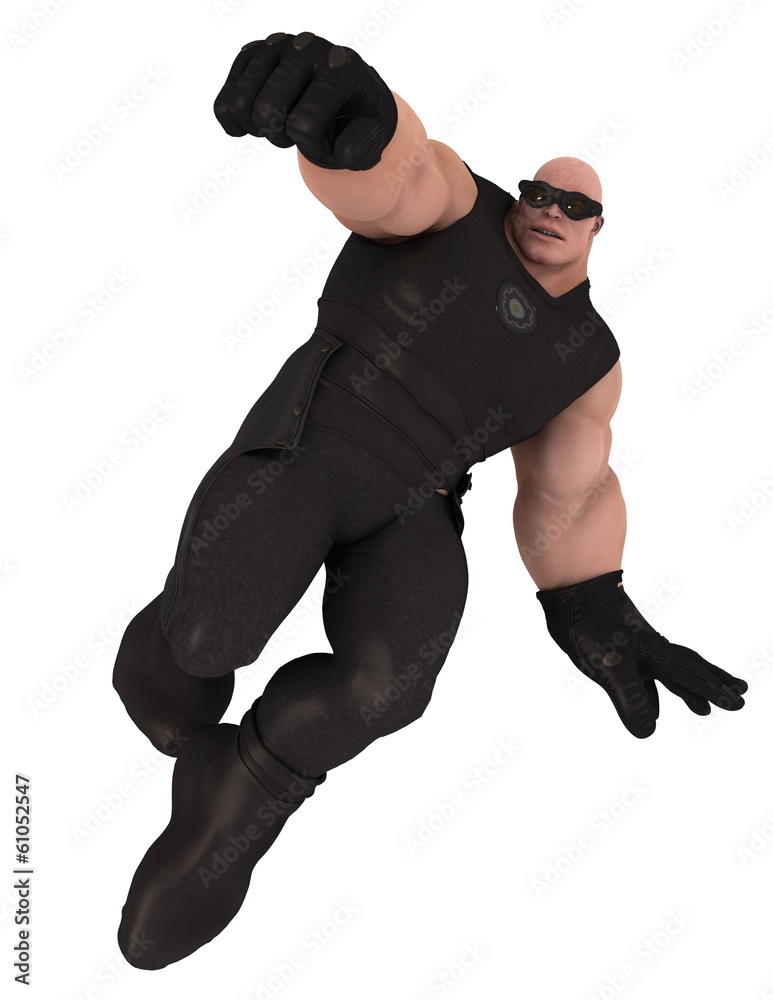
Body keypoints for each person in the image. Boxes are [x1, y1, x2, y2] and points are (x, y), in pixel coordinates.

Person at [111, 31, 748, 971]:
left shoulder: (589, 359)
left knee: (392, 684)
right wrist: (356, 130)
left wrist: (591, 602)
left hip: (417, 502)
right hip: (316, 440)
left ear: (598, 230)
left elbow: (571, 489)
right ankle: (169, 654)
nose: (548, 211)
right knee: (206, 643)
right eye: (538, 193)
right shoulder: (462, 209)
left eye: (573, 206)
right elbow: (404, 177)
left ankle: (232, 797)